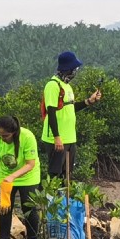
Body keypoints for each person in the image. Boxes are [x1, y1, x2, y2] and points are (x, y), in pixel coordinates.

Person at [40, 51, 102, 180]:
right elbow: (51, 112)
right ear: (67, 69)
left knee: (67, 174)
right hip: (57, 139)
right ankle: (51, 199)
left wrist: (89, 101)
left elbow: (70, 108)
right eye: (74, 69)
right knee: (55, 174)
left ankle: (65, 200)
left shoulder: (67, 86)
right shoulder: (53, 85)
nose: (76, 72)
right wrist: (57, 137)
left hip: (69, 138)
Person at [0, 116, 40, 239]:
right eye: (0, 135)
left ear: (14, 132)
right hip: (5, 177)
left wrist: (13, 176)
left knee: (29, 208)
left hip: (28, 176)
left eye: (5, 135)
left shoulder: (27, 136)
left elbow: (30, 164)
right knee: (5, 208)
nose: (2, 138)